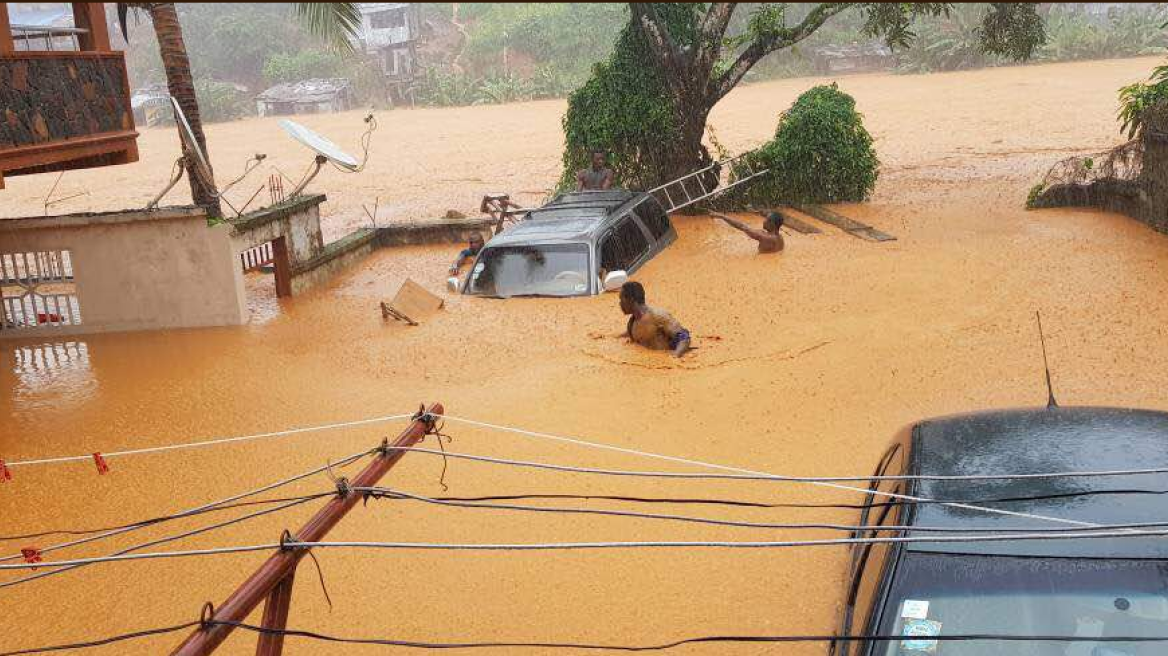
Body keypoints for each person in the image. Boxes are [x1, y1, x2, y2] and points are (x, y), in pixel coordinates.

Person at [619, 281, 691, 357]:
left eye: (621, 299)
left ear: (631, 299)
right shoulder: (632, 323)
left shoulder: (658, 316)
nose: (620, 304)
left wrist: (676, 355)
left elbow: (683, 337)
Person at [713, 211, 785, 253]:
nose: (764, 221)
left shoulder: (766, 237)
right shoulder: (780, 238)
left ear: (772, 224)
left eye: (766, 219)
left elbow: (742, 226)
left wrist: (722, 216)